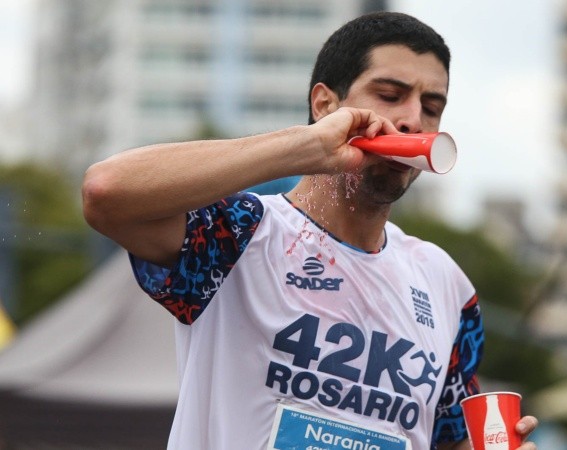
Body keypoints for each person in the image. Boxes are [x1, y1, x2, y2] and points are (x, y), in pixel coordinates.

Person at [82, 11, 538, 450]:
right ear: (325, 104)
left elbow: (449, 437)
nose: (413, 120)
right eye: (390, 94)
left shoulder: (445, 283)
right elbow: (106, 192)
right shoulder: (241, 235)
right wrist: (312, 145)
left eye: (432, 107)